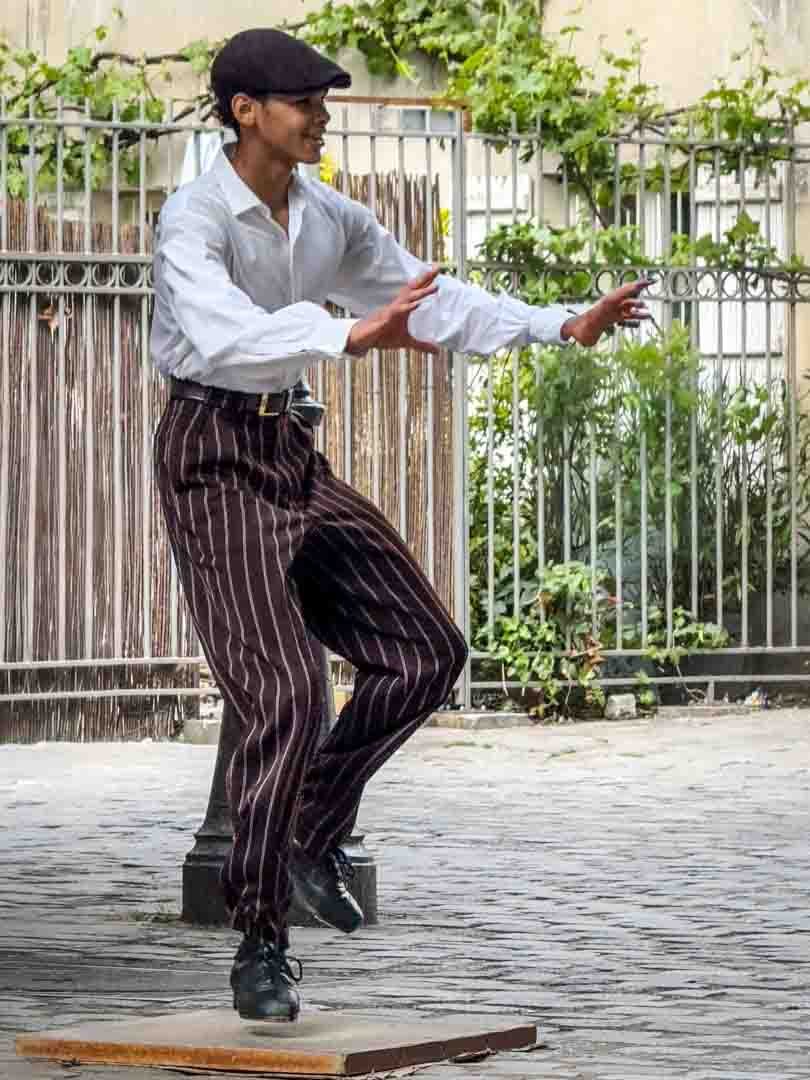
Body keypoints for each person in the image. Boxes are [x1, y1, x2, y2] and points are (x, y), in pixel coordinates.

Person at [150, 27, 649, 1023]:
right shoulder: (193, 220)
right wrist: (344, 332)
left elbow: (429, 300)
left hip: (290, 452)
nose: (321, 116)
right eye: (303, 102)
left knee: (425, 648)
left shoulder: (329, 216)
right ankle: (260, 938)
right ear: (246, 110)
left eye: (323, 100)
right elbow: (222, 338)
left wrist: (561, 323)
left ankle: (307, 837)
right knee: (288, 695)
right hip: (213, 460)